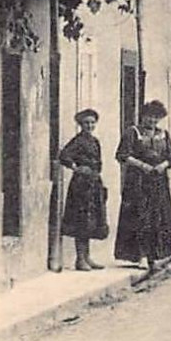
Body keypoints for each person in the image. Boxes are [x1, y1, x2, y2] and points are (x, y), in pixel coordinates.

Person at [114, 99, 171, 273]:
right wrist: (143, 166)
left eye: (155, 118)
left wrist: (162, 166)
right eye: (149, 117)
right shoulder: (133, 132)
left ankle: (154, 256)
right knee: (139, 216)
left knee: (156, 218)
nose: (152, 121)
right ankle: (139, 256)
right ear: (142, 116)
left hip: (158, 181)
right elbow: (122, 154)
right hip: (138, 182)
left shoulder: (164, 134)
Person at [57, 108, 109, 271]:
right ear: (80, 124)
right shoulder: (78, 141)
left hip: (93, 184)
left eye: (92, 122)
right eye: (86, 123)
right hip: (80, 186)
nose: (90, 125)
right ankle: (80, 259)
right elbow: (64, 156)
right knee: (81, 221)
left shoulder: (95, 141)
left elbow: (99, 163)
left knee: (91, 221)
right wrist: (76, 167)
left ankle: (87, 257)